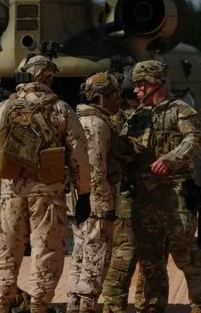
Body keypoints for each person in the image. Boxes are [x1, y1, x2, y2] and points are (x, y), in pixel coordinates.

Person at [0, 54, 91, 313]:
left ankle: (0, 306)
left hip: (10, 193)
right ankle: (38, 307)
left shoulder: (1, 109)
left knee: (5, 253)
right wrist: (83, 194)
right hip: (48, 196)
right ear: (45, 76)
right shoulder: (61, 109)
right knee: (46, 254)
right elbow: (79, 156)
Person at [123, 60, 201, 313]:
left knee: (186, 255)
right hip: (145, 197)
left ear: (156, 84)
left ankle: (199, 305)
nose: (137, 89)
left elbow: (194, 138)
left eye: (141, 84)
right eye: (136, 84)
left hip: (174, 195)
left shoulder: (180, 110)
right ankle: (151, 306)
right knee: (149, 258)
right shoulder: (138, 115)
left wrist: (172, 159)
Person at [101, 83, 168, 313]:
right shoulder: (135, 119)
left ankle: (122, 305)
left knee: (137, 255)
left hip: (142, 195)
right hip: (137, 194)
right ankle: (135, 305)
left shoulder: (119, 120)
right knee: (137, 255)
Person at [66, 72, 122, 313]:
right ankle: (86, 307)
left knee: (79, 256)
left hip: (78, 201)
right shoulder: (96, 124)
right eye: (113, 95)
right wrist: (104, 205)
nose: (117, 99)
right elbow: (96, 168)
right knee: (96, 259)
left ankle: (74, 305)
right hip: (94, 205)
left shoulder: (77, 119)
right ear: (100, 98)